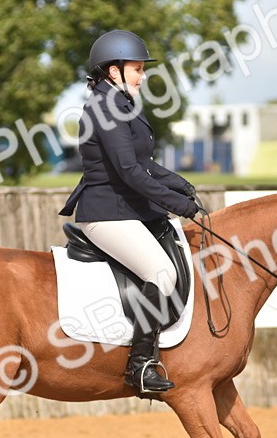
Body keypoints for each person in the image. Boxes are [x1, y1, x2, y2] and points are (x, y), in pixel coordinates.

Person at [60, 30, 203, 397]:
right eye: (137, 69)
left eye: (141, 69)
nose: (142, 76)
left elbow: (145, 163)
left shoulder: (121, 104)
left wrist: (182, 186)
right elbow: (130, 172)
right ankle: (139, 366)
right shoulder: (105, 109)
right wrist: (179, 206)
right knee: (160, 272)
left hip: (125, 210)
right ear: (113, 71)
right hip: (106, 214)